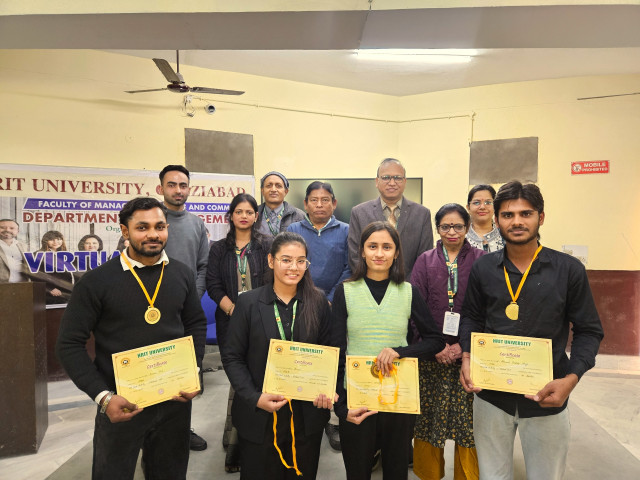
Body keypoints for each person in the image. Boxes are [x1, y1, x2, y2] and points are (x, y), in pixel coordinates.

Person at [459, 181, 604, 480]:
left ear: (541, 217)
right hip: (491, 396)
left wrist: (570, 380)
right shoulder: (483, 269)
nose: (517, 221)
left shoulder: (568, 270)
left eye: (525, 213)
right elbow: (471, 317)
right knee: (492, 476)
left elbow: (589, 331)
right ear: (496, 220)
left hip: (547, 395)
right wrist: (467, 358)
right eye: (508, 215)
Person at [56, 197, 207, 480]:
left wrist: (193, 370)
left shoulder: (182, 273)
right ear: (125, 231)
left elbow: (195, 323)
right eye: (142, 227)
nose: (153, 234)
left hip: (174, 401)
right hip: (121, 403)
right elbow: (69, 345)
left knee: (170, 473)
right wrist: (103, 397)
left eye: (159, 226)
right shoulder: (96, 282)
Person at [333, 221, 445, 480]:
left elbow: (435, 341)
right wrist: (340, 406)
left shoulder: (408, 292)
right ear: (362, 251)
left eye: (387, 247)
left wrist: (400, 351)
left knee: (395, 470)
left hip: (398, 396)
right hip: (358, 395)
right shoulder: (345, 291)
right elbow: (336, 349)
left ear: (396, 253)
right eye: (372, 246)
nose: (379, 253)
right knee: (357, 470)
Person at [221, 232, 333, 479]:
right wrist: (254, 397)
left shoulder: (318, 302)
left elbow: (329, 353)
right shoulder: (248, 303)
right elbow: (232, 357)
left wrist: (327, 388)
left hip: (306, 415)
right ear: (271, 261)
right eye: (286, 260)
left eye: (301, 261)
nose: (294, 267)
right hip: (260, 414)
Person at [410, 204, 485, 480]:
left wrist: (464, 347)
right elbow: (414, 307)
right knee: (429, 419)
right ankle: (429, 473)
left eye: (458, 226)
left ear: (468, 228)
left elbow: (486, 308)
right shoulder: (425, 260)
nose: (451, 232)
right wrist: (435, 346)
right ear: (437, 228)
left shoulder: (481, 260)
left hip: (468, 356)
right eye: (445, 226)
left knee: (468, 424)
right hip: (432, 356)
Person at [206, 193, 271, 473]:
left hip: (263, 320)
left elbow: (272, 280)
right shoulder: (218, 249)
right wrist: (234, 310)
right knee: (238, 377)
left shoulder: (267, 245)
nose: (244, 216)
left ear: (256, 216)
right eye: (239, 211)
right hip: (230, 320)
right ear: (231, 216)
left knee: (260, 375)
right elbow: (213, 283)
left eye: (249, 212)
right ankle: (235, 442)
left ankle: (260, 439)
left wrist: (254, 312)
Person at [287, 181, 350, 451]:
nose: (320, 205)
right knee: (303, 358)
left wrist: (330, 298)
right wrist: (308, 297)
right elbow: (290, 264)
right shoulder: (294, 230)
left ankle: (332, 419)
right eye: (314, 200)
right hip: (300, 302)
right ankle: (301, 409)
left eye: (325, 200)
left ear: (334, 203)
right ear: (305, 204)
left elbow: (350, 266)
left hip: (334, 305)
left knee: (332, 358)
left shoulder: (346, 231)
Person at [158, 164, 210, 451]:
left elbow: (203, 266)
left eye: (183, 185)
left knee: (184, 374)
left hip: (185, 311)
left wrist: (192, 297)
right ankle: (151, 433)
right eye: (172, 185)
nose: (178, 190)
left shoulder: (196, 224)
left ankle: (182, 430)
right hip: (151, 310)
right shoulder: (149, 220)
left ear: (189, 189)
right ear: (161, 188)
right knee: (154, 370)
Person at [347, 158, 433, 280]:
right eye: (386, 177)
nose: (392, 183)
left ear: (405, 181)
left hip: (408, 285)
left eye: (397, 178)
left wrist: (407, 286)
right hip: (369, 285)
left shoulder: (422, 214)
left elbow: (424, 257)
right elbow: (354, 255)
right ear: (377, 181)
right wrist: (372, 284)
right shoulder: (359, 212)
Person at [256, 171, 305, 237]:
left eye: (278, 186)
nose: (273, 190)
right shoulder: (254, 213)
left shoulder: (299, 215)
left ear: (286, 191)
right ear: (262, 191)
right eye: (269, 186)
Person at [37, 230, 74, 303]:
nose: (55, 242)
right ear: (45, 241)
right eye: (51, 239)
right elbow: (36, 275)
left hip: (64, 291)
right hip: (49, 293)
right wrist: (50, 288)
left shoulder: (65, 254)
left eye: (58, 239)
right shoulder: (39, 254)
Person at [465, 185, 504, 252]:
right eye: (476, 203)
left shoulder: (506, 236)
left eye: (488, 202)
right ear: (468, 207)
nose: (482, 207)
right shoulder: (460, 238)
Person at [0, 218, 28, 283]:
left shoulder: (24, 246)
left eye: (12, 228)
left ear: (17, 231)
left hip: (23, 286)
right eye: (2, 227)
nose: (7, 230)